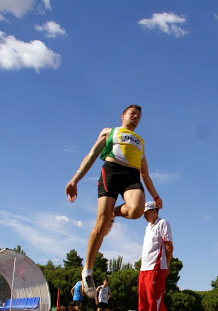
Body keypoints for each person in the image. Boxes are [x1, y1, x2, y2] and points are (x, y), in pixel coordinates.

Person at [65, 105, 163, 299]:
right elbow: (92, 155)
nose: (136, 117)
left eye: (139, 116)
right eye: (132, 114)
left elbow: (145, 174)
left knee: (136, 210)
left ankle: (113, 213)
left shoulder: (141, 142)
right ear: (123, 116)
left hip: (131, 175)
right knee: (100, 225)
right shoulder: (109, 131)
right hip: (110, 171)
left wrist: (155, 195)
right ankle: (87, 271)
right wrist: (75, 179)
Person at [129, 201, 173, 311]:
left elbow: (169, 246)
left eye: (147, 212)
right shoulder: (148, 227)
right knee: (143, 302)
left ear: (155, 211)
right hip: (144, 268)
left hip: (156, 267)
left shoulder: (163, 223)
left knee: (154, 301)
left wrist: (166, 265)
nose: (144, 215)